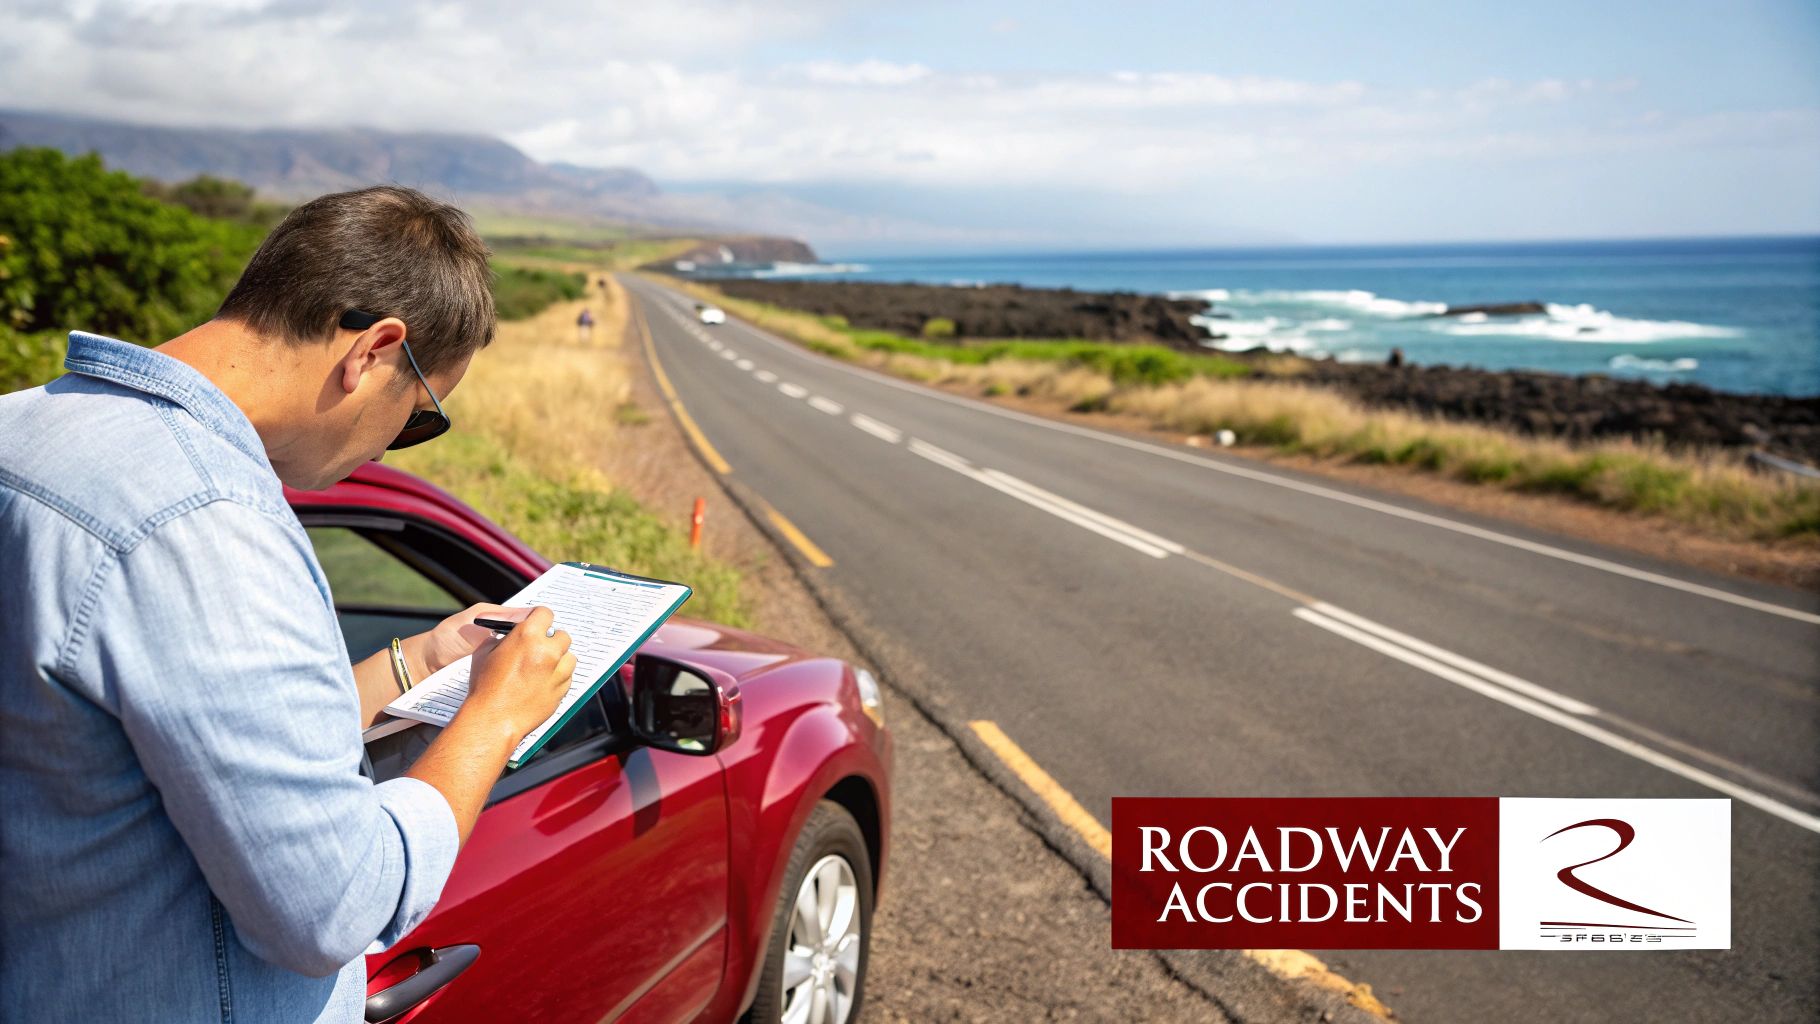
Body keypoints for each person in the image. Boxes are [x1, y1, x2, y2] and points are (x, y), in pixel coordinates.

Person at [0, 186, 577, 1022]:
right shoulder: (206, 524)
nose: (391, 445)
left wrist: (417, 662)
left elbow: (167, 742)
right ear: (375, 351)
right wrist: (495, 718)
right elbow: (333, 905)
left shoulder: (27, 427)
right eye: (419, 417)